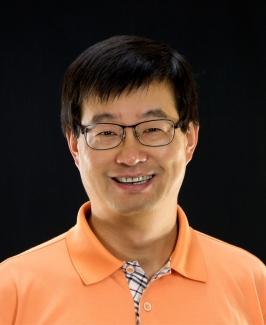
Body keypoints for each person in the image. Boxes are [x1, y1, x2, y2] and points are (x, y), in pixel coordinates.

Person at [0, 35, 265, 325]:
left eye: (153, 129)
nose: (130, 156)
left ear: (189, 138)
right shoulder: (11, 289)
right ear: (75, 145)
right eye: (107, 132)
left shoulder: (252, 282)